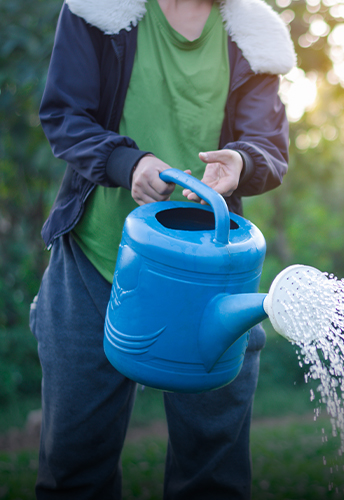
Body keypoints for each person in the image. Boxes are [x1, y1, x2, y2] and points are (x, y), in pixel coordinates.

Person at [30, 0, 295, 498]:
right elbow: (64, 114)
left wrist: (239, 161)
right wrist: (126, 163)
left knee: (213, 478)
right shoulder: (97, 10)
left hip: (212, 277)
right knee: (74, 471)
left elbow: (269, 146)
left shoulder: (255, 35)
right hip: (96, 261)